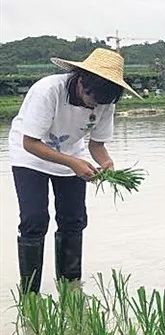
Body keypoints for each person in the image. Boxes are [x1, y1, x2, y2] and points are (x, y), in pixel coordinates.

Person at [9, 48, 140, 293]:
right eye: (91, 98)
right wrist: (71, 163)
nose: (94, 105)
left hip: (71, 155)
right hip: (29, 156)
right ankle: (30, 293)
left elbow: (97, 145)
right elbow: (30, 142)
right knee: (34, 220)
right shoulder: (48, 91)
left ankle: (70, 289)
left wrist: (107, 164)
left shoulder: (105, 100)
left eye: (101, 102)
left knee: (73, 219)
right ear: (81, 80)